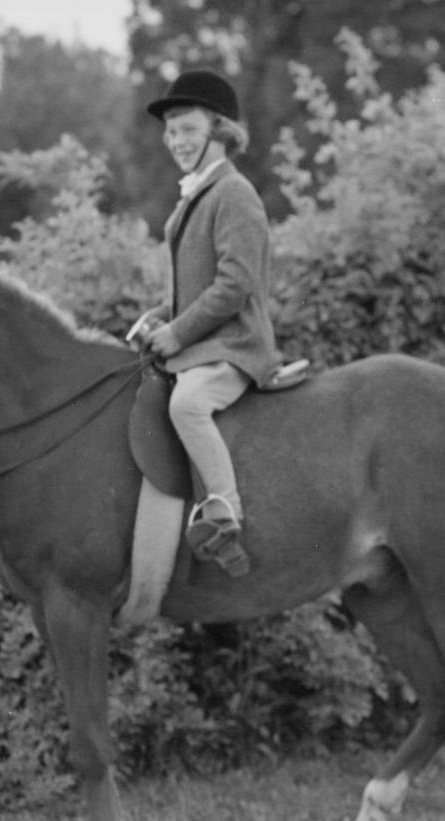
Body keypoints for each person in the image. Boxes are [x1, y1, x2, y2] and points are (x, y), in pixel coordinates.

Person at [137, 69, 283, 577]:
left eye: (188, 130)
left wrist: (176, 333)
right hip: (206, 342)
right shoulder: (195, 195)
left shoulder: (233, 193)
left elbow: (233, 285)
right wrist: (158, 315)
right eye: (171, 131)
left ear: (219, 132)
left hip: (235, 344)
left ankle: (226, 513)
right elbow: (191, 288)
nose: (176, 141)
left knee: (188, 403)